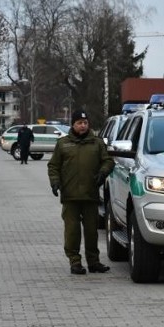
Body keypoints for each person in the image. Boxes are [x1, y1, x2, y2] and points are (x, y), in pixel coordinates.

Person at [47, 109, 114, 275]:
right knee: (72, 232)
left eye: (85, 123)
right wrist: (55, 183)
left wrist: (102, 173)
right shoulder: (63, 144)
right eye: (79, 123)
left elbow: (108, 161)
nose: (83, 126)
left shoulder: (97, 143)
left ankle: (93, 262)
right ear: (73, 124)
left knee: (92, 232)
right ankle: (75, 262)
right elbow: (53, 166)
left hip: (90, 195)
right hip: (70, 196)